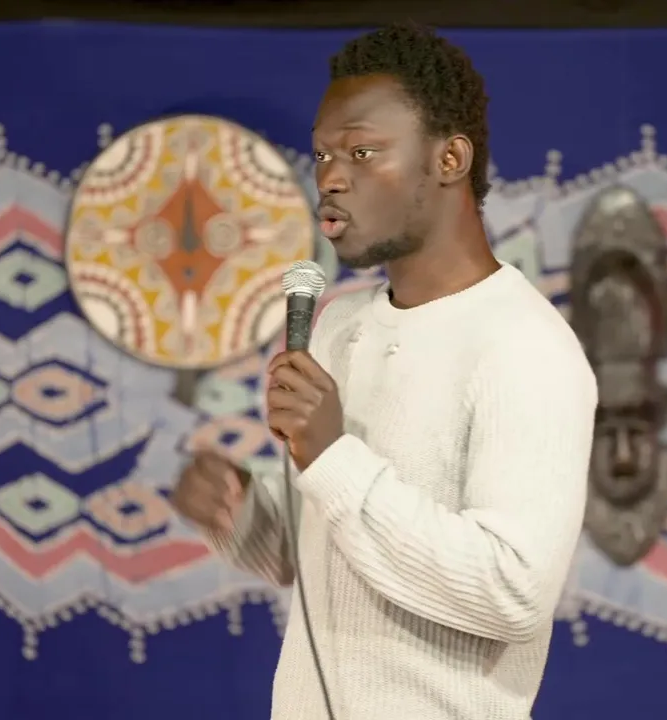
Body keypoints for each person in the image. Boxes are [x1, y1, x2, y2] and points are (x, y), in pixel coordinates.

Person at [170, 22, 597, 720]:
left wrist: (332, 455)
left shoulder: (525, 345)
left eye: (362, 152)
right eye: (322, 155)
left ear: (450, 158)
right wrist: (242, 513)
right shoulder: (338, 326)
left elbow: (513, 594)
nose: (331, 178)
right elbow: (322, 552)